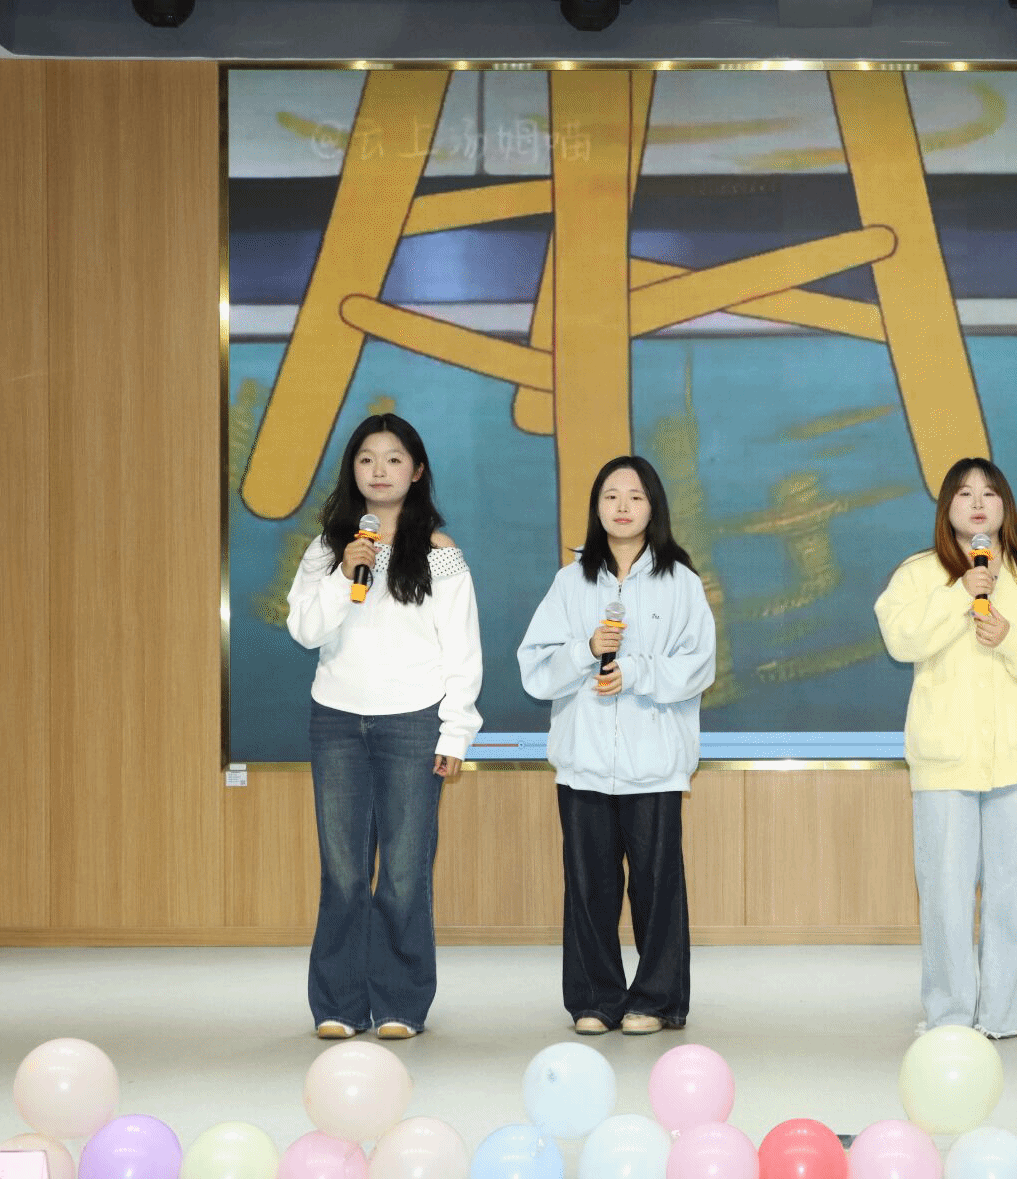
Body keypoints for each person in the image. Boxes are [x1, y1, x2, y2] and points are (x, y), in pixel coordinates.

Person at [875, 458, 1017, 1039]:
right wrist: (960, 594)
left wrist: (1013, 638)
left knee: (1013, 893)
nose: (976, 503)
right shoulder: (920, 574)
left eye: (989, 493)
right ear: (946, 507)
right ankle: (948, 1016)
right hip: (945, 759)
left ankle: (1005, 1015)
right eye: (964, 493)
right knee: (944, 894)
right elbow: (901, 640)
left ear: (1005, 507)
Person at [285, 412, 482, 1041]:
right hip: (337, 721)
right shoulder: (328, 550)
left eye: (394, 459)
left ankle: (400, 1003)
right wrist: (345, 574)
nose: (380, 470)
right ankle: (339, 1005)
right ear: (353, 470)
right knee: (343, 871)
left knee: (402, 871)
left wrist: (455, 733)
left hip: (414, 723)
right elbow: (305, 631)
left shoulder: (441, 554)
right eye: (367, 459)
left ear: (416, 471)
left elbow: (463, 653)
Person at [517, 456, 716, 1036]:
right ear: (596, 507)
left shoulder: (681, 582)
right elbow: (535, 670)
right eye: (610, 495)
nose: (622, 506)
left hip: (654, 764)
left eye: (635, 496)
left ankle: (656, 1000)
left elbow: (698, 665)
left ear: (654, 507)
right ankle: (594, 999)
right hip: (583, 764)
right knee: (589, 889)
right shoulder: (570, 582)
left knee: (657, 888)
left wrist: (636, 672)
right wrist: (587, 650)